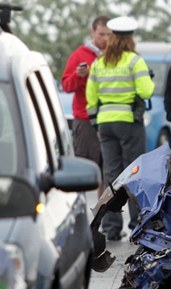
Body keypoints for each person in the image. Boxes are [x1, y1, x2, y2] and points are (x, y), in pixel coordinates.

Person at [85, 16, 155, 241]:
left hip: (105, 123)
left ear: (112, 37)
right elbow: (146, 92)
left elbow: (91, 97)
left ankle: (111, 228)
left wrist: (97, 121)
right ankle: (138, 224)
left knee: (111, 175)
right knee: (135, 172)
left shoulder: (99, 62)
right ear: (131, 39)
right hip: (129, 123)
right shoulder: (135, 61)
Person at [61, 15, 111, 196]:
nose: (105, 39)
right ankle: (78, 214)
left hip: (109, 119)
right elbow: (66, 85)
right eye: (102, 34)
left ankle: (103, 218)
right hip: (85, 121)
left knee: (108, 173)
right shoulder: (80, 55)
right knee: (82, 171)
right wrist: (78, 75)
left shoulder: (115, 56)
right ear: (93, 33)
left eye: (109, 35)